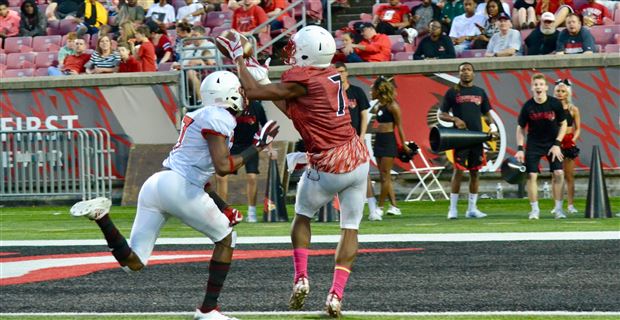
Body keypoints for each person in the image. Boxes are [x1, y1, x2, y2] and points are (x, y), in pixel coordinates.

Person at [70, 70, 279, 320]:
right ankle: (208, 310)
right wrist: (258, 147)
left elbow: (200, 176)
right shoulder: (218, 116)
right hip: (179, 187)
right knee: (226, 240)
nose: (244, 95)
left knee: (134, 264)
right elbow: (223, 167)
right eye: (239, 91)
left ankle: (102, 216)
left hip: (157, 184)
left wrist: (223, 207)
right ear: (229, 96)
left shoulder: (201, 114)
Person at [217, 25, 370, 318]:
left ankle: (301, 276)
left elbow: (252, 92)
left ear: (305, 52)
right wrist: (261, 76)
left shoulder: (303, 80)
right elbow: (294, 108)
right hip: (357, 158)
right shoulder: (330, 75)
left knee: (302, 215)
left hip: (328, 162)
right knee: (350, 227)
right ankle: (336, 294)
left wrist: (239, 59)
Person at [439, 62, 497, 220]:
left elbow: (487, 113)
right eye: (462, 70)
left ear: (473, 73)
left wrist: (492, 126)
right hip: (460, 138)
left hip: (477, 137)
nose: (465, 72)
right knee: (458, 171)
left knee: (475, 172)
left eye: (468, 70)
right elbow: (441, 114)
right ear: (459, 74)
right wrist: (455, 119)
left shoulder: (480, 92)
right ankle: (452, 209)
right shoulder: (453, 92)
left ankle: (472, 208)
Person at [515, 73, 568, 220]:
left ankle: (558, 210)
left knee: (558, 173)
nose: (538, 87)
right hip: (534, 144)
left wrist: (557, 144)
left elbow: (563, 124)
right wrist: (520, 148)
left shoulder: (555, 104)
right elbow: (520, 128)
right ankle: (534, 210)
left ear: (546, 87)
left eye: (541, 84)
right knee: (531, 175)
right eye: (535, 85)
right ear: (532, 87)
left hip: (553, 143)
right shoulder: (528, 106)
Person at [333, 62, 377, 220]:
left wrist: (362, 135)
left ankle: (373, 209)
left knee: (364, 174)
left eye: (341, 71)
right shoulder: (331, 93)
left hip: (355, 139)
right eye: (336, 72)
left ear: (346, 73)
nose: (339, 74)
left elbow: (364, 115)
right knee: (338, 175)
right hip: (337, 141)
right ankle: (340, 210)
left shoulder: (356, 91)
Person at [215, 100, 268, 223]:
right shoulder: (231, 105)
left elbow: (265, 127)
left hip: (251, 146)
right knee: (221, 177)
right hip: (233, 145)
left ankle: (252, 212)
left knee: (252, 177)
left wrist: (269, 148)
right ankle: (222, 211)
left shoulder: (256, 106)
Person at [369, 76, 410, 219]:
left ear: (379, 90)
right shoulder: (379, 105)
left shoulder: (393, 106)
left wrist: (403, 144)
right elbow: (372, 113)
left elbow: (399, 127)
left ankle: (379, 207)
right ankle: (394, 206)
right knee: (383, 175)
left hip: (388, 141)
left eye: (372, 90)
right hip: (379, 140)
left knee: (385, 175)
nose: (370, 92)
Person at [552, 78, 580, 214]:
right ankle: (556, 205)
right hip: (556, 142)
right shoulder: (551, 108)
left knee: (569, 175)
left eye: (563, 91)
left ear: (568, 92)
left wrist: (573, 139)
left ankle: (570, 204)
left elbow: (578, 128)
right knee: (555, 175)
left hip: (568, 141)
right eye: (558, 91)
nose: (560, 93)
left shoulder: (573, 109)